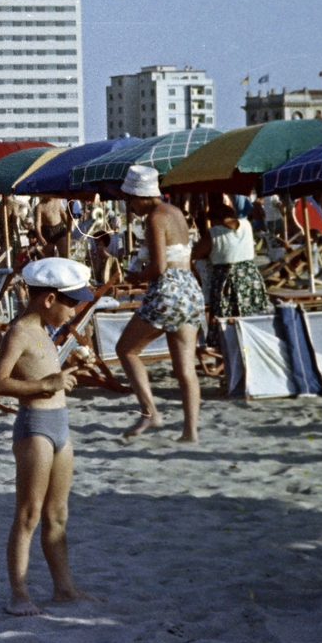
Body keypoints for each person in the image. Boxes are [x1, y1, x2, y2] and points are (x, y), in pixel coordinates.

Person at [0, 257, 101, 616]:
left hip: (59, 425)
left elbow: (46, 374)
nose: (74, 310)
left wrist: (67, 372)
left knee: (58, 513)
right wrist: (44, 384)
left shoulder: (46, 333)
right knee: (29, 513)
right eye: (71, 303)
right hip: (34, 427)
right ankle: (18, 594)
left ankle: (64, 587)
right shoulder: (20, 331)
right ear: (49, 299)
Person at [116, 165, 204, 442]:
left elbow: (158, 267)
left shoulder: (154, 217)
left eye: (130, 199)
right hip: (190, 289)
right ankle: (190, 432)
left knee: (126, 350)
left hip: (168, 290)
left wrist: (136, 277)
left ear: (141, 196)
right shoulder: (175, 212)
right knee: (185, 369)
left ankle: (150, 411)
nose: (130, 206)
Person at [194, 194, 269, 340]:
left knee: (225, 315)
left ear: (215, 219)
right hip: (249, 274)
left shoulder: (214, 232)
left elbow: (197, 253)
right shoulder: (246, 225)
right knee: (248, 313)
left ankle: (227, 344)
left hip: (226, 276)